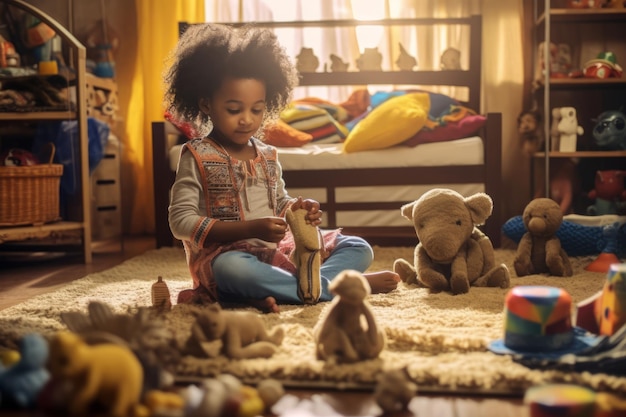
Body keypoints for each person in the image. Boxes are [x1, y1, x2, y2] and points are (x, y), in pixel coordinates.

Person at [163, 23, 399, 313]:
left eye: (257, 109)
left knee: (359, 247)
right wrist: (251, 228)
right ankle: (343, 286)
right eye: (234, 109)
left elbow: (280, 203)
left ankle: (290, 289)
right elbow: (180, 222)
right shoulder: (196, 155)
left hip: (280, 253)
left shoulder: (268, 155)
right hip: (229, 257)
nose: (247, 120)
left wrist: (299, 209)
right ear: (206, 104)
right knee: (232, 271)